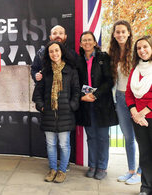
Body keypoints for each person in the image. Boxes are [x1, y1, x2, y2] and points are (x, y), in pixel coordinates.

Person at [32, 41, 80, 183]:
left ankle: (62, 171)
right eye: (51, 51)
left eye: (56, 50)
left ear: (62, 52)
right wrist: (41, 107)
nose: (54, 54)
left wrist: (72, 105)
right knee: (51, 144)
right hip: (48, 115)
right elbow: (37, 94)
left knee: (64, 145)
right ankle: (53, 169)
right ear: (48, 54)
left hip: (66, 114)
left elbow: (77, 91)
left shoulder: (71, 71)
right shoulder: (45, 72)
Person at [76, 31, 118, 180]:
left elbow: (110, 81)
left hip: (102, 104)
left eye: (89, 40)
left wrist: (95, 94)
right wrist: (83, 96)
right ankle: (92, 165)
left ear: (95, 42)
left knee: (102, 137)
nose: (87, 42)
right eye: (84, 40)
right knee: (91, 136)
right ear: (81, 44)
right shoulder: (78, 60)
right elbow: (76, 83)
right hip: (86, 104)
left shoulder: (103, 58)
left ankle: (102, 167)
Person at [109, 20, 141, 185]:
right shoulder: (113, 54)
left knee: (141, 138)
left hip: (137, 99)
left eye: (123, 31)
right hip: (120, 99)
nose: (120, 34)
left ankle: (141, 172)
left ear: (129, 32)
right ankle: (130, 170)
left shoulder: (136, 52)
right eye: (117, 32)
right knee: (128, 137)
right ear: (114, 34)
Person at [125, 35, 152, 195]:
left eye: (145, 47)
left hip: (147, 115)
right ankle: (146, 187)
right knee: (145, 154)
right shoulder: (135, 70)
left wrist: (143, 112)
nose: (142, 51)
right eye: (139, 48)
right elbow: (129, 94)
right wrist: (134, 112)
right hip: (138, 119)